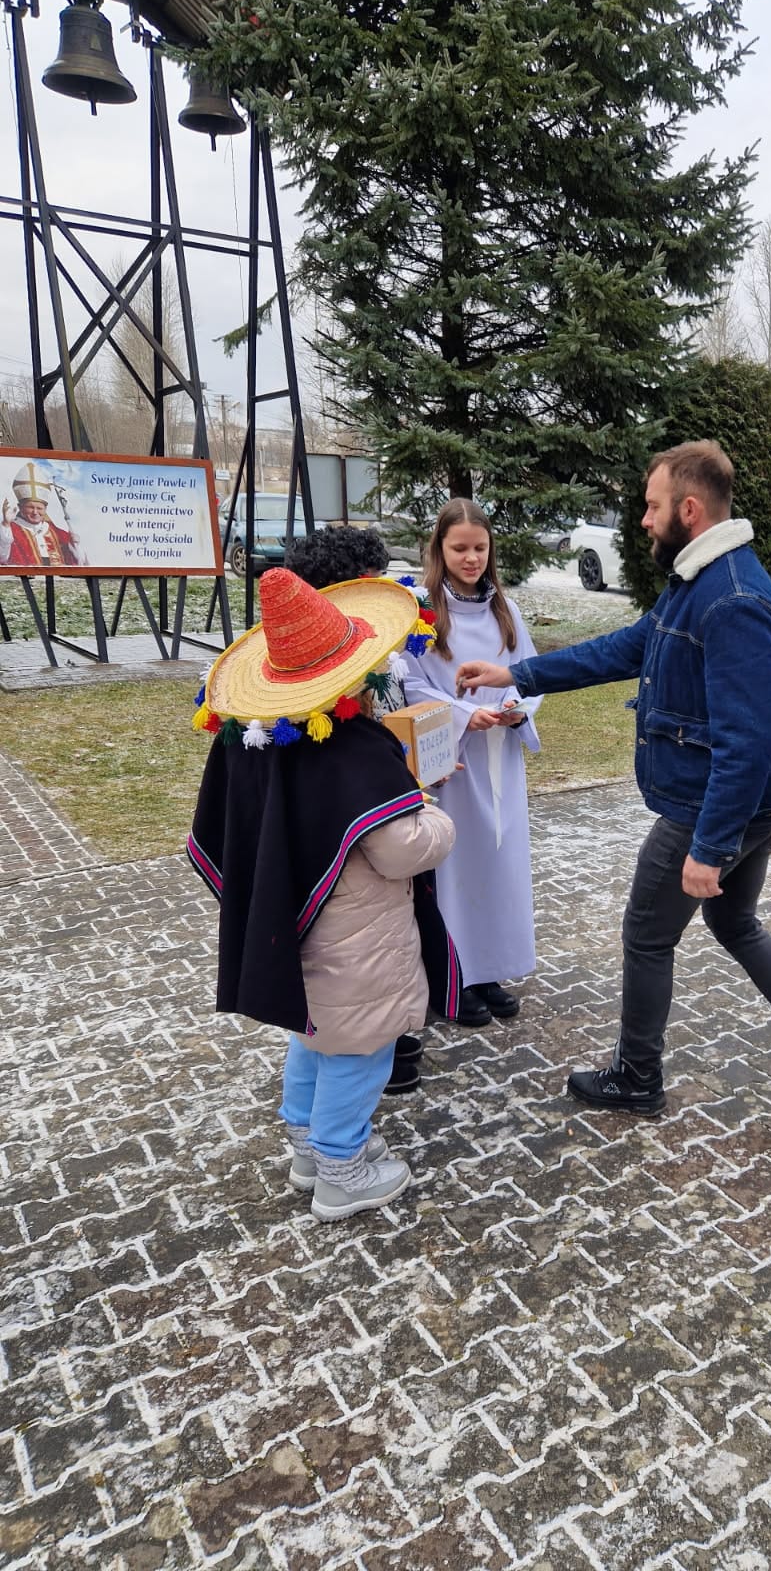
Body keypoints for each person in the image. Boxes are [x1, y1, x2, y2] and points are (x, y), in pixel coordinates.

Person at [457, 440, 771, 1117]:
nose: (644, 520)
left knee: (647, 934)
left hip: (713, 806)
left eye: (652, 507)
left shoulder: (730, 601)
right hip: (747, 804)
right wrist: (517, 673)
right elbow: (627, 646)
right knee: (735, 923)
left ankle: (637, 1076)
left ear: (690, 509)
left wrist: (709, 847)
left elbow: (748, 744)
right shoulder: (696, 581)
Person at [188, 567, 457, 1220]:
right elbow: (398, 850)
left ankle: (308, 1149)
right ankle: (342, 1171)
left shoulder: (252, 739)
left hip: (289, 921)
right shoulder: (352, 747)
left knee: (314, 1033)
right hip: (359, 936)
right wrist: (432, 814)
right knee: (360, 1046)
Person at [283, 522, 432, 1097]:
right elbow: (389, 839)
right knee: (355, 984)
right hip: (363, 837)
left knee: (359, 976)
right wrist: (415, 802)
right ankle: (341, 1134)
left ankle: (390, 1039)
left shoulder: (370, 656)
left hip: (388, 802)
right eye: (368, 584)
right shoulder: (313, 699)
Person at [402, 497, 543, 1027]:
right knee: (454, 866)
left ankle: (487, 968)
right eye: (459, 548)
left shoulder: (506, 610)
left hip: (499, 757)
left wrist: (515, 707)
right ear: (439, 548)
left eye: (480, 548)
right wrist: (464, 715)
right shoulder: (422, 613)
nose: (471, 558)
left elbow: (530, 673)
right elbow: (411, 683)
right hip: (450, 762)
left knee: (497, 864)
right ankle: (452, 975)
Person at [1, 461, 85, 567]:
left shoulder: (58, 533)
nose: (35, 512)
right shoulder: (10, 531)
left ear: (45, 509)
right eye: (30, 507)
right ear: (20, 507)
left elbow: (80, 563)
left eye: (39, 508)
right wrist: (5, 524)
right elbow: (3, 558)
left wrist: (74, 545)